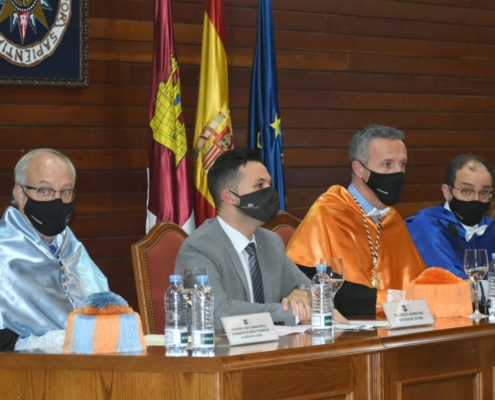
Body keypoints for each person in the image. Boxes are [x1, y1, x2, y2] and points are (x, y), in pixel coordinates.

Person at [175, 148, 346, 328]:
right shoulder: (200, 247)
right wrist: (291, 312)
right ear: (229, 197)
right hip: (220, 351)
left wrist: (301, 292)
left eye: (269, 184)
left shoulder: (271, 241)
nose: (270, 192)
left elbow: (316, 292)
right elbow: (214, 312)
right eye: (260, 185)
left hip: (273, 349)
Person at [286, 125, 426, 316]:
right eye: (387, 164)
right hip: (347, 330)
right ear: (359, 169)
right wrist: (397, 301)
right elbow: (321, 289)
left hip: (401, 324)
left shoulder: (391, 217)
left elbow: (417, 281)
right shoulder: (328, 213)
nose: (398, 172)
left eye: (402, 164)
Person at [0, 149, 109, 350]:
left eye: (65, 192)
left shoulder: (70, 247)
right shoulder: (3, 253)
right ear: (20, 195)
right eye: (44, 191)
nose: (57, 201)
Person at [405, 155, 495, 279]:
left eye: (484, 193)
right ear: (447, 192)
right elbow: (451, 279)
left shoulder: (490, 228)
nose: (476, 199)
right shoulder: (427, 226)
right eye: (466, 191)